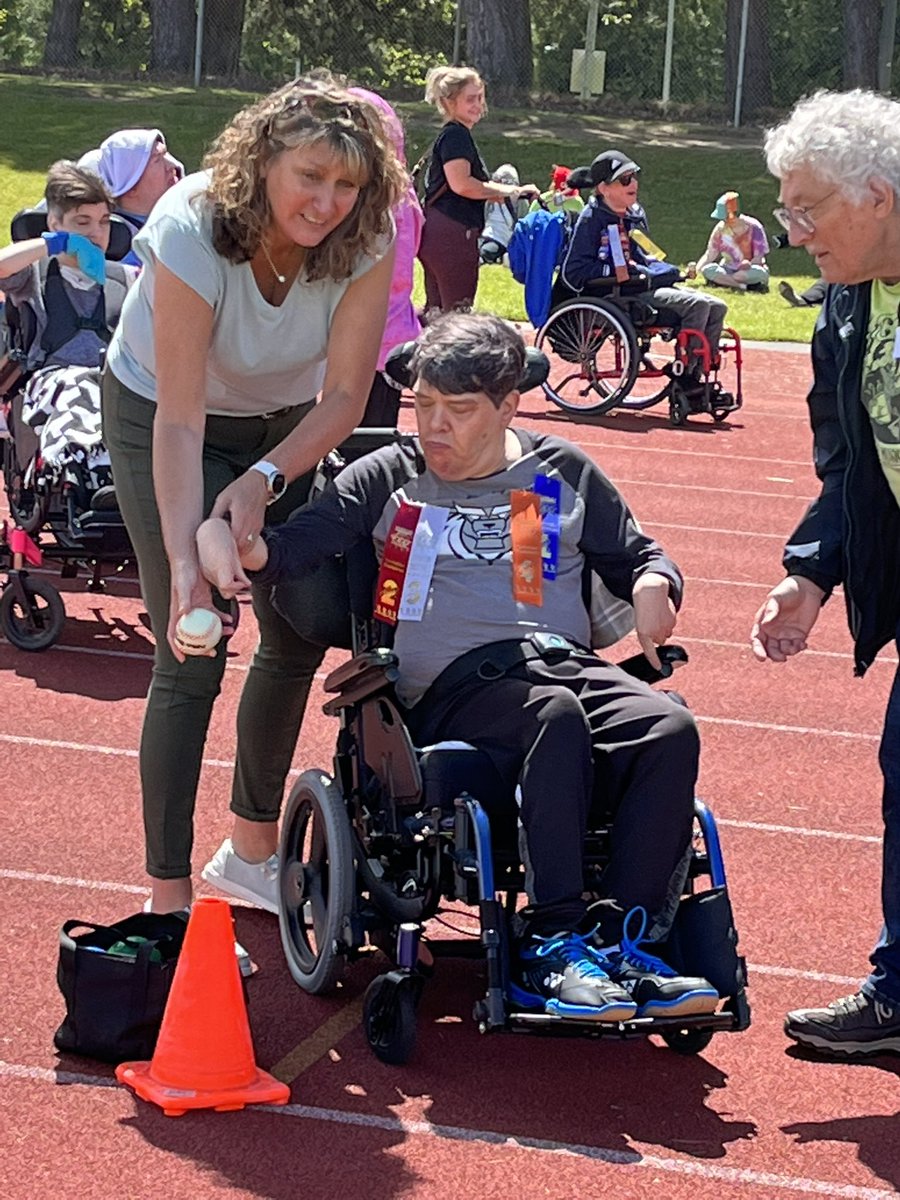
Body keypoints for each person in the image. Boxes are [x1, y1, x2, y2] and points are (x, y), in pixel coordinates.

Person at [196, 311, 719, 1022]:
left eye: (458, 410)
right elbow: (296, 546)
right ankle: (552, 939)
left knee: (666, 727)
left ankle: (623, 939)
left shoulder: (558, 473)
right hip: (450, 691)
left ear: (507, 405)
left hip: (563, 666)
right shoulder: (391, 475)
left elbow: (641, 558)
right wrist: (244, 549)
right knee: (552, 717)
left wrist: (659, 584)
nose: (434, 425)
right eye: (424, 406)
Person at [102, 75, 405, 916]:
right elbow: (180, 417)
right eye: (310, 175)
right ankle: (167, 903)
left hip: (285, 426)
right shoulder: (190, 226)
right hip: (158, 411)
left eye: (346, 184)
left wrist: (264, 479)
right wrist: (182, 557)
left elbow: (345, 397)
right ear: (263, 160)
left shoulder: (369, 235)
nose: (327, 201)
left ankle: (250, 850)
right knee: (190, 643)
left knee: (298, 619)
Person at [751, 88, 900, 1057]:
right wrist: (809, 573)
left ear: (880, 197)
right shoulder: (846, 305)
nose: (793, 232)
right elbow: (849, 463)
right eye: (786, 208)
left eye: (808, 209)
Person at [560, 149, 729, 391]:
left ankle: (700, 370)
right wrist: (619, 271)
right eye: (625, 179)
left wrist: (672, 271)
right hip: (617, 295)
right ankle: (686, 378)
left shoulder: (628, 216)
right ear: (603, 188)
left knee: (717, 306)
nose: (634, 183)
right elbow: (573, 272)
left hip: (638, 286)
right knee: (698, 306)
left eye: (634, 176)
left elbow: (643, 257)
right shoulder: (592, 220)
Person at [417, 66, 539, 312]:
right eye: (470, 99)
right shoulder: (456, 137)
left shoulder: (450, 135)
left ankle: (420, 348)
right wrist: (511, 192)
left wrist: (494, 193)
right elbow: (462, 185)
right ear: (449, 102)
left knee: (436, 311)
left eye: (480, 97)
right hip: (453, 234)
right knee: (457, 312)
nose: (478, 105)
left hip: (436, 233)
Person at [348, 88, 423, 428]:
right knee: (378, 430)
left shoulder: (367, 196)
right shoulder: (404, 193)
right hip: (395, 331)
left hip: (362, 334)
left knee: (353, 436)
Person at [692, 190, 769, 291]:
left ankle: (725, 282)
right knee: (708, 269)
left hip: (750, 270)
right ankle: (742, 286)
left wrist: (748, 264)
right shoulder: (720, 229)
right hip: (727, 269)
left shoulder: (754, 227)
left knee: (755, 273)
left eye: (725, 218)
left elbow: (758, 257)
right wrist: (695, 271)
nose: (723, 221)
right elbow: (710, 254)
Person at [479, 163, 526, 265]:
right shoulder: (489, 198)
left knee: (486, 251)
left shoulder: (519, 201)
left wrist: (503, 204)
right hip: (484, 234)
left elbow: (512, 226)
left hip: (501, 237)